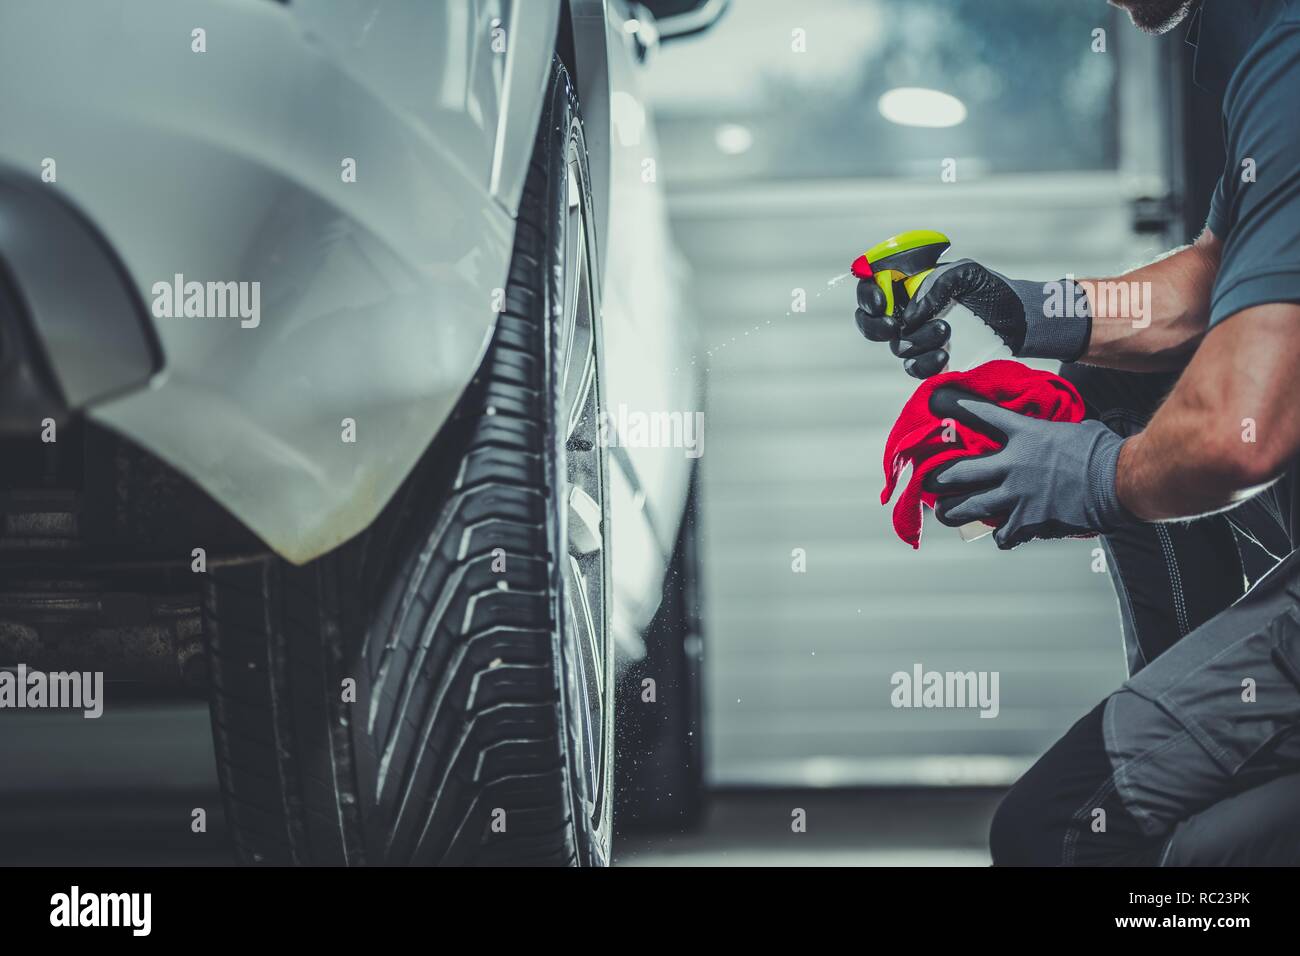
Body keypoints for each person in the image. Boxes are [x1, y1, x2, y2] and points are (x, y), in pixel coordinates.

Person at [854, 0, 1300, 864]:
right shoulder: (1266, 41)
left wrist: (1094, 476)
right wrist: (1013, 303)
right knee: (1112, 382)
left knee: (1057, 835)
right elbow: (1218, 269)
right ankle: (1200, 739)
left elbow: (1242, 438)